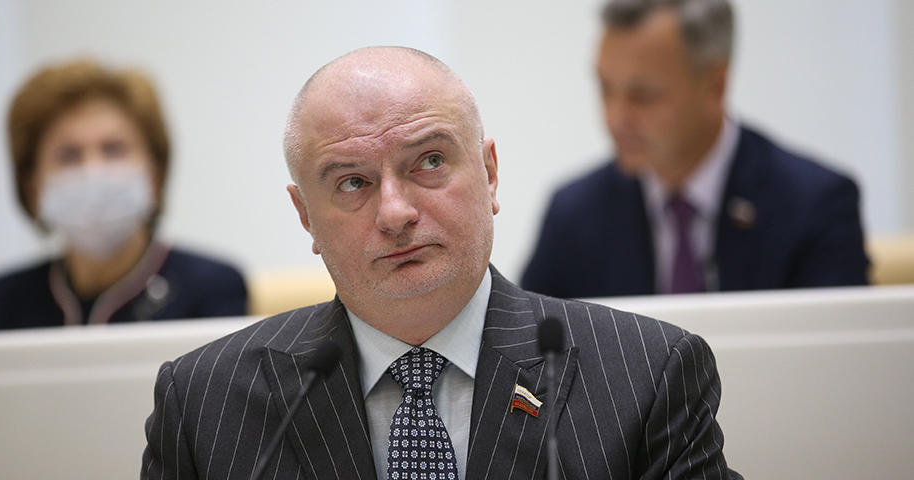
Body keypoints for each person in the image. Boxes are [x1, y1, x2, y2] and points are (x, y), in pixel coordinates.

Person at [141, 47, 741, 480]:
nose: (395, 212)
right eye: (352, 182)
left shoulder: (647, 375)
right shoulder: (203, 405)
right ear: (306, 217)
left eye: (428, 161)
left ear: (490, 174)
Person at [522, 0, 869, 298]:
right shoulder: (574, 216)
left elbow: (840, 351)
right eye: (605, 88)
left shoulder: (815, 206)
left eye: (643, 95)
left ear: (715, 85)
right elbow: (526, 346)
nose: (615, 118)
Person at [0, 60, 247, 331]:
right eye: (69, 155)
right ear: (32, 184)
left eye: (114, 149)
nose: (93, 171)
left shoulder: (210, 288)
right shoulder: (3, 302)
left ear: (155, 173)